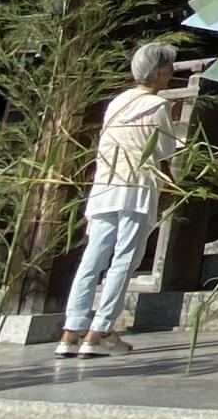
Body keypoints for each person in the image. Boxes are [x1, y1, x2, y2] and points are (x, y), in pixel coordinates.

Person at [56, 40, 186, 357]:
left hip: (104, 187)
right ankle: (99, 331)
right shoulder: (156, 106)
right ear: (158, 72)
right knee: (123, 260)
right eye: (168, 66)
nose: (171, 72)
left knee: (93, 260)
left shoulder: (116, 103)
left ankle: (71, 331)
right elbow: (166, 149)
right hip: (136, 189)